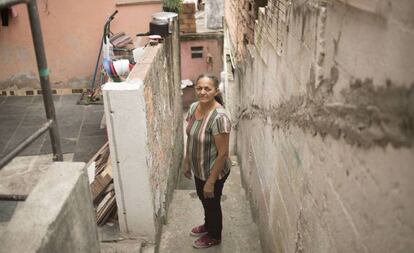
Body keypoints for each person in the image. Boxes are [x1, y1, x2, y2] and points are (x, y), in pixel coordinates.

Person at [183, 74, 231, 249]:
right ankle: (207, 224)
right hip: (199, 168)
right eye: (199, 88)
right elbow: (191, 136)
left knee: (212, 202)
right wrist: (186, 160)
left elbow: (223, 153)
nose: (202, 92)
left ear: (215, 91)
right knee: (205, 200)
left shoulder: (219, 118)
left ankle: (214, 235)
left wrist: (211, 182)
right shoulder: (194, 107)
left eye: (207, 89)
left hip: (214, 171)